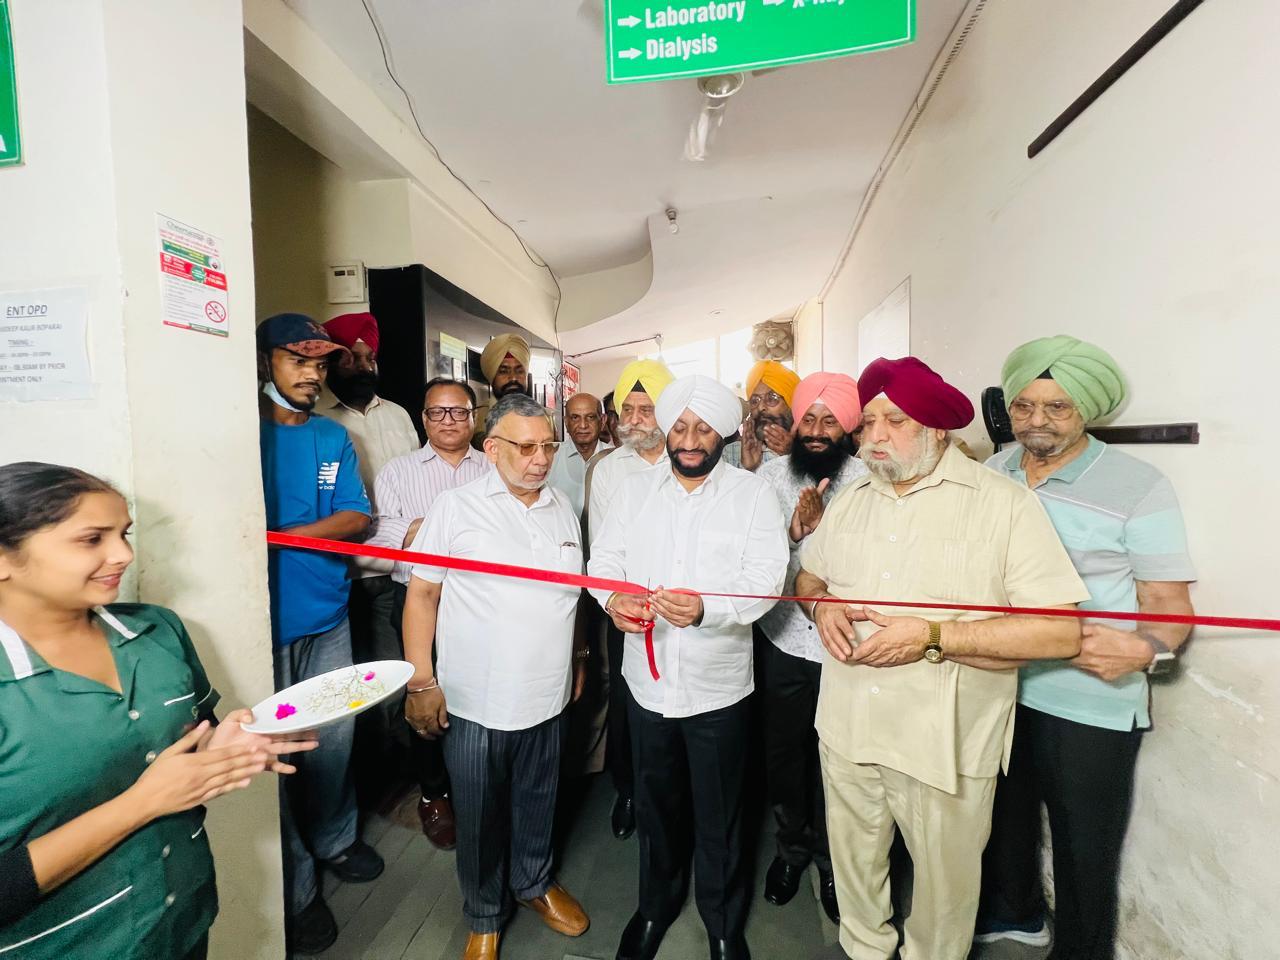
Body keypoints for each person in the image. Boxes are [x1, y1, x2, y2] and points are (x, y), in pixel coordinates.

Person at [793, 356, 1090, 960]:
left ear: (935, 429)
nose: (875, 436)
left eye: (895, 421)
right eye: (868, 421)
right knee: (854, 871)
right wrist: (820, 607)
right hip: (848, 727)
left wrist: (933, 637)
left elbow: (1057, 633)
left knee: (944, 892)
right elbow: (809, 579)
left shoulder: (1002, 505)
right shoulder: (851, 500)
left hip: (943, 743)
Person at [0, 462, 315, 960]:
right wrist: (143, 802)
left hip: (182, 922)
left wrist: (218, 748)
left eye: (123, 534)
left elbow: (182, 739)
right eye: (91, 539)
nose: (123, 555)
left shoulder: (157, 631)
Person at [976, 336, 1196, 958]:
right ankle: (1015, 912)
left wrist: (1145, 651)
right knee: (1002, 817)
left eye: (1057, 407)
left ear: (1088, 410)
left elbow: (1168, 606)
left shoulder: (1138, 485)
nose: (1037, 421)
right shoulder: (993, 473)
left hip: (1088, 698)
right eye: (1023, 406)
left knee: (1084, 844)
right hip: (998, 681)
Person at [589, 374, 789, 960]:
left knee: (721, 813)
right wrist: (613, 598)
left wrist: (708, 610)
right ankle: (654, 907)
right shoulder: (633, 491)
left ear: (723, 433)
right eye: (680, 427)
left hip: (718, 690)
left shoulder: (752, 495)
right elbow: (605, 560)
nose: (691, 439)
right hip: (647, 686)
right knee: (656, 805)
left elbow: (767, 579)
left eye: (703, 429)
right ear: (667, 429)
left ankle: (722, 923)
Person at [402, 393, 591, 960]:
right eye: (526, 447)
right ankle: (485, 912)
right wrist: (420, 682)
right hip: (476, 700)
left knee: (540, 799)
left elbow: (575, 596)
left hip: (549, 693)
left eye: (548, 446)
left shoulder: (561, 507)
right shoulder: (455, 508)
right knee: (480, 815)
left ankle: (533, 882)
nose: (541, 459)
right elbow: (422, 595)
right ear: (491, 449)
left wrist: (580, 657)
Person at [256, 313, 384, 954]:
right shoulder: (242, 436)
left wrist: (282, 537)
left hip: (329, 615)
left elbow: (356, 516)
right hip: (267, 629)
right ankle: (300, 887)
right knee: (275, 757)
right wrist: (315, 531)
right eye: (297, 360)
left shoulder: (332, 437)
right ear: (264, 364)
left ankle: (335, 839)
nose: (312, 374)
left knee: (334, 742)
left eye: (319, 362)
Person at [754, 373, 867, 926]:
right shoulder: (768, 479)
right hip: (784, 641)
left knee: (840, 760)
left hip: (850, 646)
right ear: (796, 425)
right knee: (786, 755)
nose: (818, 431)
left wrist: (826, 535)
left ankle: (833, 862)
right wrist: (795, 533)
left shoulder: (870, 481)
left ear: (848, 429)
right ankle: (791, 850)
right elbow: (753, 559)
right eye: (810, 420)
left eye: (830, 421)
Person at [368, 377, 492, 849]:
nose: (448, 421)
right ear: (423, 419)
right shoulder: (398, 472)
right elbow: (379, 538)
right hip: (420, 602)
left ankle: (476, 784)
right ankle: (434, 794)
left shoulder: (493, 463)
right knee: (425, 696)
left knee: (477, 692)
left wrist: (428, 532)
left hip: (481, 602)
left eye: (458, 411)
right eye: (437, 412)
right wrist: (425, 528)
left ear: (473, 418)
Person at [318, 312, 420, 797]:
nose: (362, 366)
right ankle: (371, 780)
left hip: (399, 567)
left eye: (369, 357)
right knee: (351, 683)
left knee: (397, 672)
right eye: (351, 358)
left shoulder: (398, 415)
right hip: (344, 571)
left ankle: (403, 772)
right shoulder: (318, 420)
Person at [582, 358, 675, 841]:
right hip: (628, 612)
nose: (635, 420)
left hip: (684, 608)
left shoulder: (689, 456)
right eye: (628, 410)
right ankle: (629, 790)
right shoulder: (607, 469)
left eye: (647, 409)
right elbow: (603, 550)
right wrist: (619, 601)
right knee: (626, 702)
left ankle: (673, 793)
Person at [724, 360, 799, 471]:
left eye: (772, 398)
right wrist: (748, 469)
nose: (761, 407)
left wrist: (793, 456)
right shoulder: (731, 453)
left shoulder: (813, 451)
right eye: (755, 400)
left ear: (791, 404)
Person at [547, 392, 610, 516]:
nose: (583, 425)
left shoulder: (616, 459)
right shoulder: (551, 458)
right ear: (566, 422)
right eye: (575, 418)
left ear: (602, 421)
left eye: (590, 417)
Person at [474, 333, 532, 441]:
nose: (513, 378)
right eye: (503, 371)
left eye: (519, 371)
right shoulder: (477, 418)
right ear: (492, 376)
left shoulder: (542, 416)